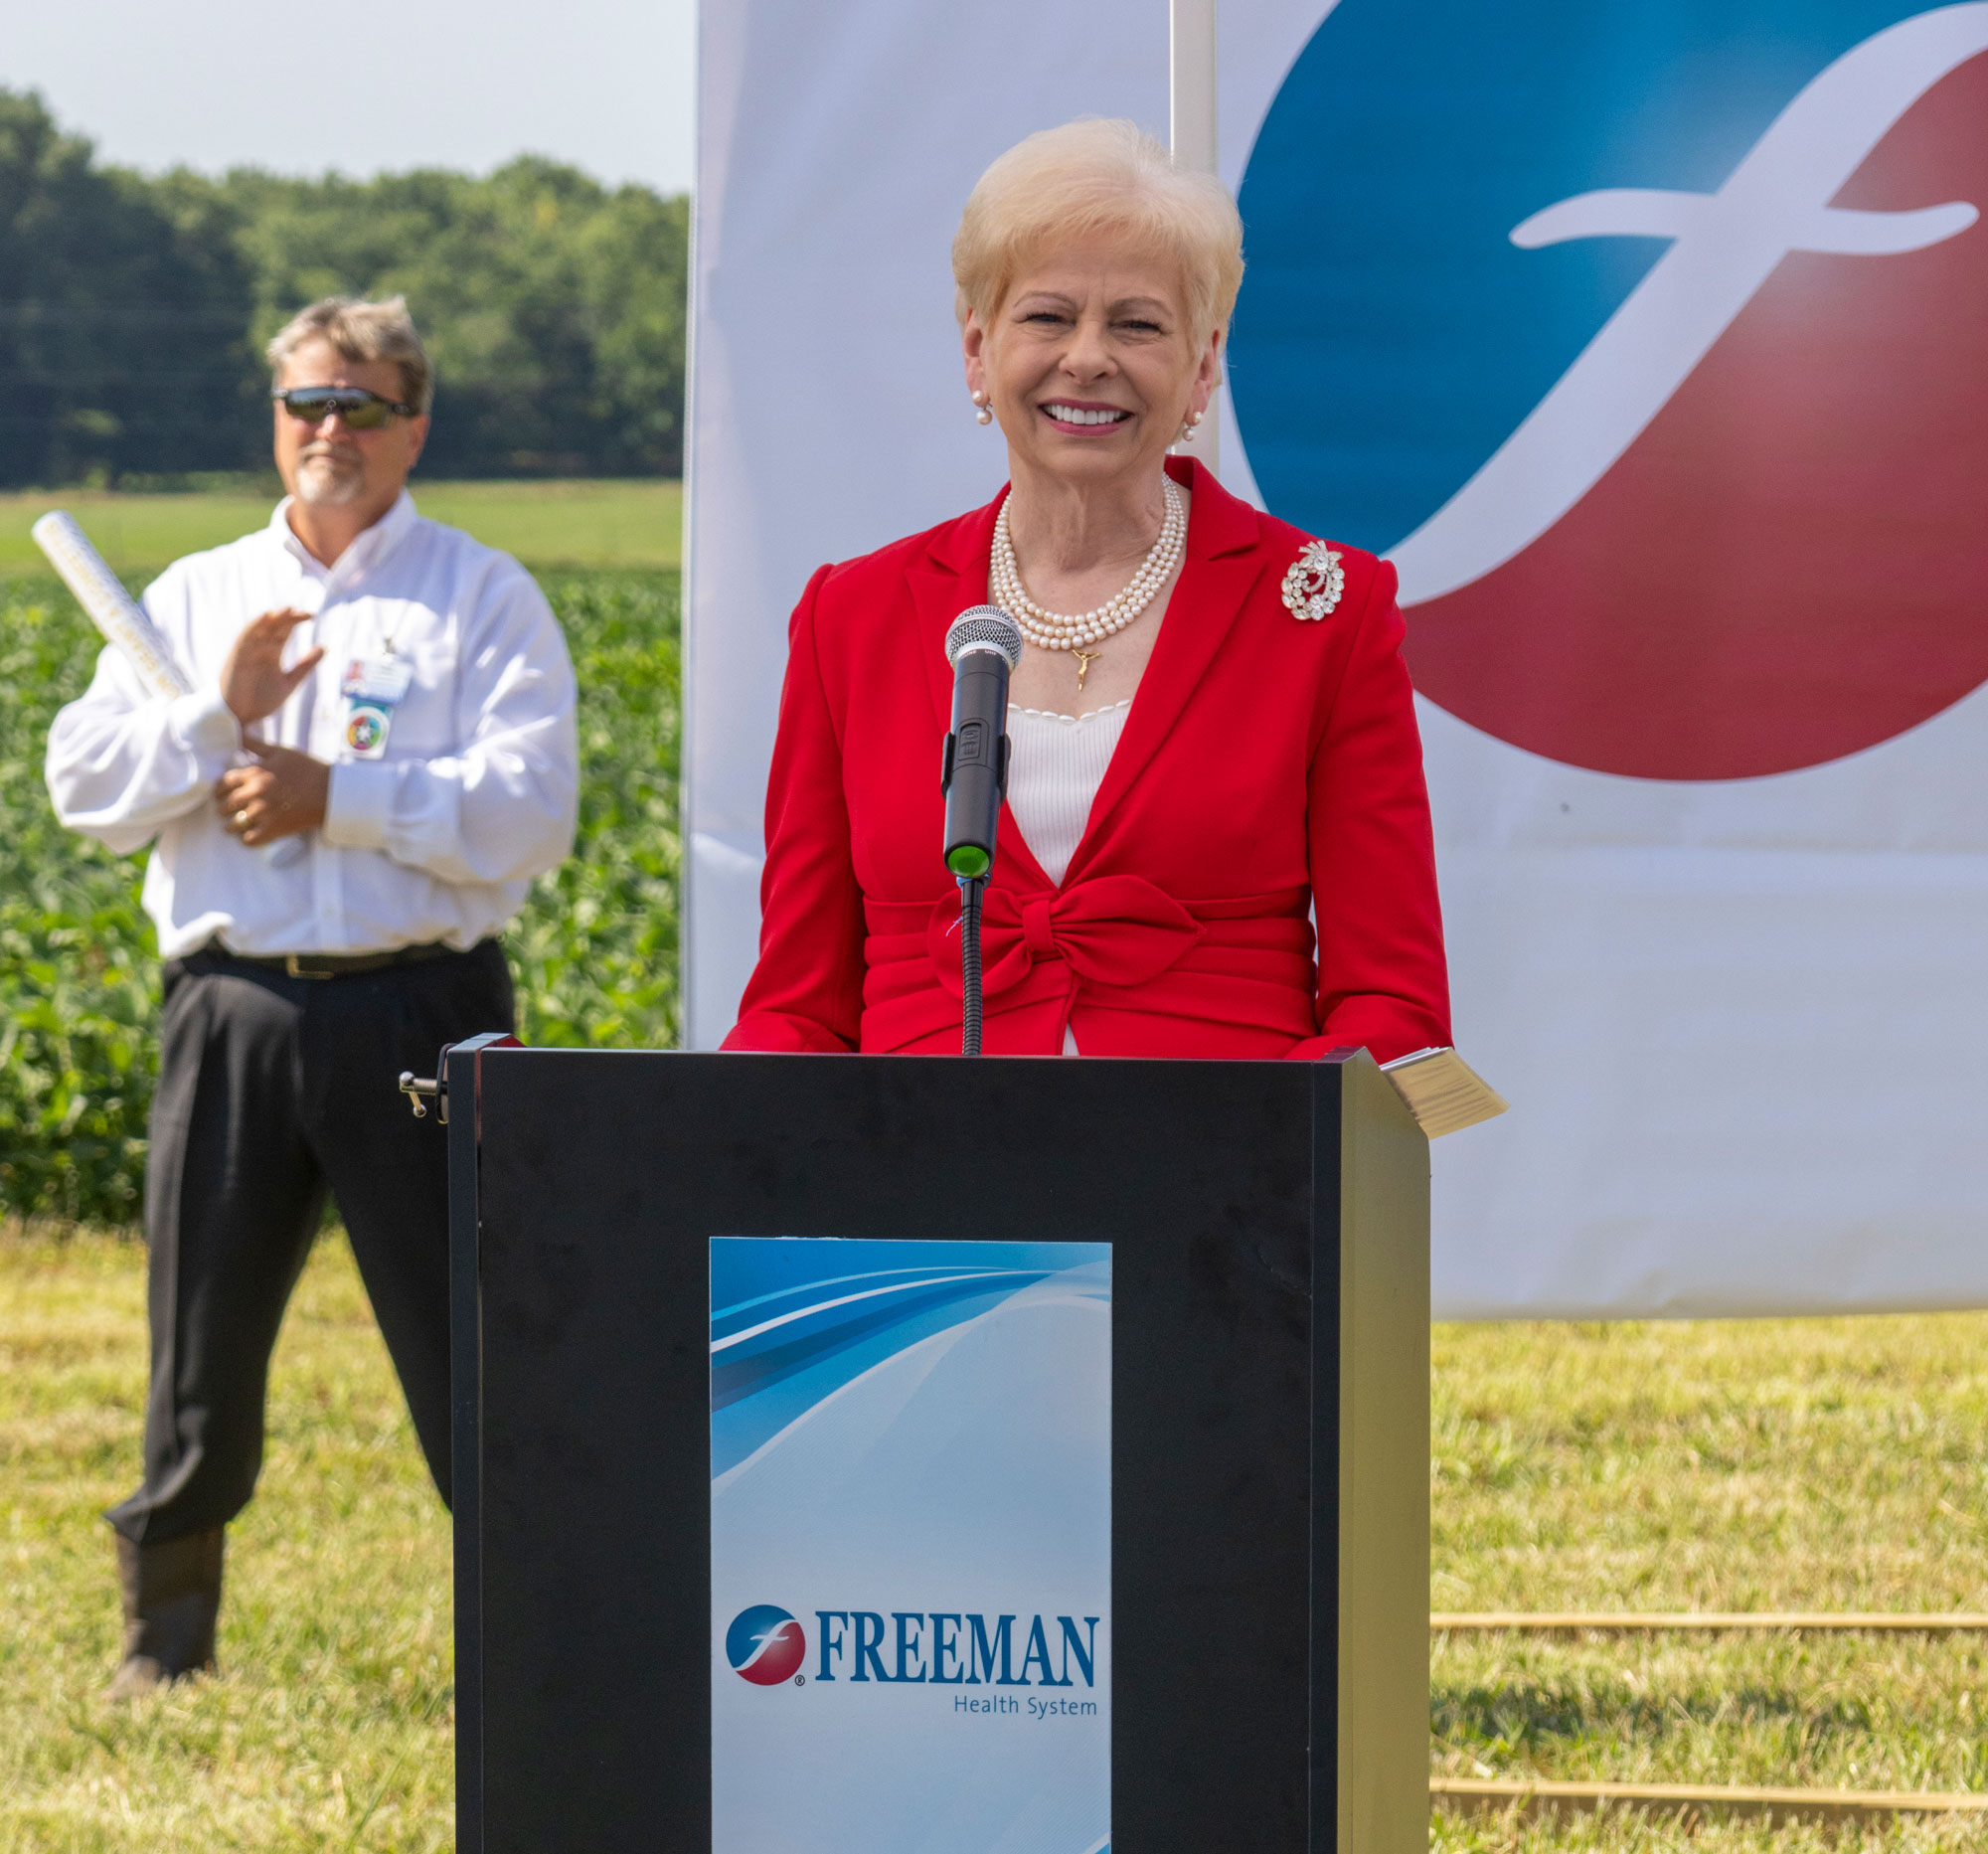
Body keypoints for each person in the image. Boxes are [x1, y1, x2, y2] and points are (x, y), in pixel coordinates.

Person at [45, 296, 580, 1698]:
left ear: (416, 423)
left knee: (472, 1335)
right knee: (197, 1342)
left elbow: (530, 812)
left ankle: (535, 1639)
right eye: (306, 405)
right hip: (232, 1009)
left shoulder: (481, 596)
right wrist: (211, 721)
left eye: (361, 404)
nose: (329, 429)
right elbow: (85, 790)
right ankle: (164, 1643)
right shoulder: (197, 598)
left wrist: (335, 798)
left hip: (425, 1008)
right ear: (274, 423)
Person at [723, 120, 1449, 1060]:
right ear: (978, 350)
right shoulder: (849, 618)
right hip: (913, 1184)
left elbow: (1390, 1007)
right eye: (1048, 316)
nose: (1089, 357)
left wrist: (1262, 1176)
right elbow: (795, 1010)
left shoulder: (1328, 613)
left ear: (1203, 364)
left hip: (1227, 1185)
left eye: (1138, 323)